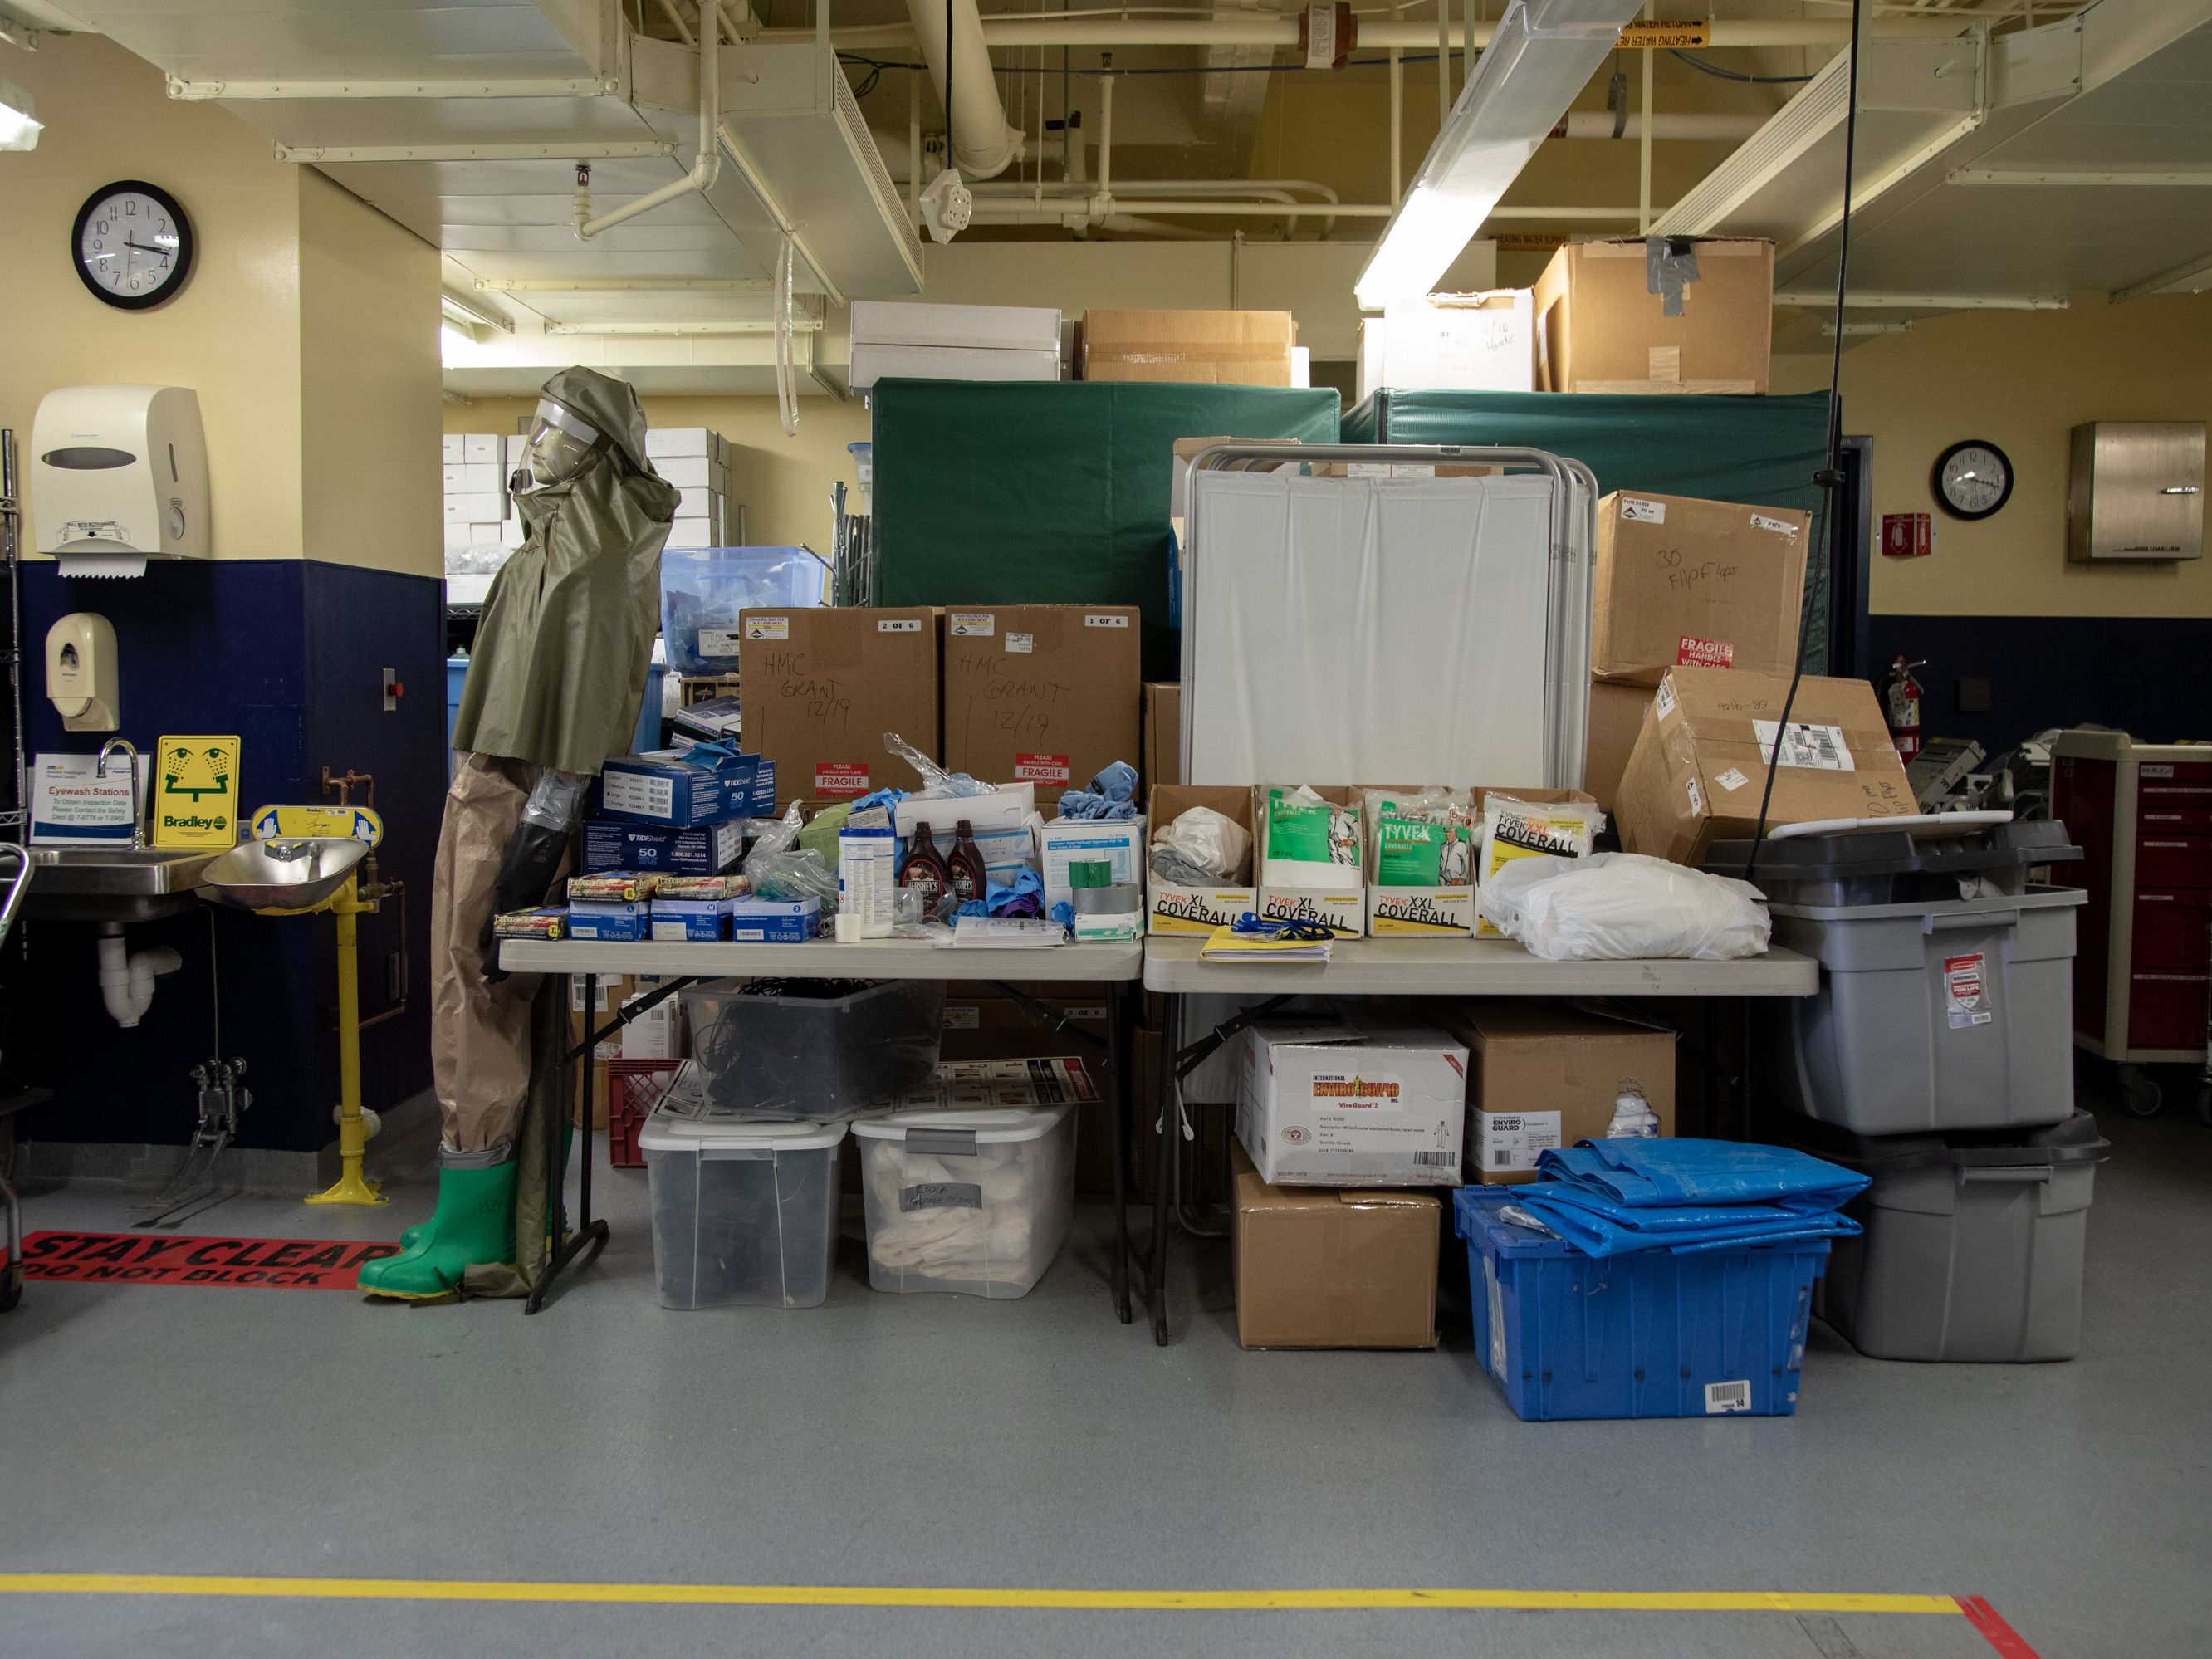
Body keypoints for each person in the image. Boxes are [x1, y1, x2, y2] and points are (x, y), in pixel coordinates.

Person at [360, 369, 678, 1299]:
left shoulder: (590, 556)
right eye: (533, 428)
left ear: (593, 449)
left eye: (554, 432)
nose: (533, 449)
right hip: (499, 793)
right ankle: (509, 1207)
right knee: (487, 996)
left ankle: (475, 1234)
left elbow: (572, 739)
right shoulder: (563, 544)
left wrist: (526, 864)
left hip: (515, 805)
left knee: (477, 992)